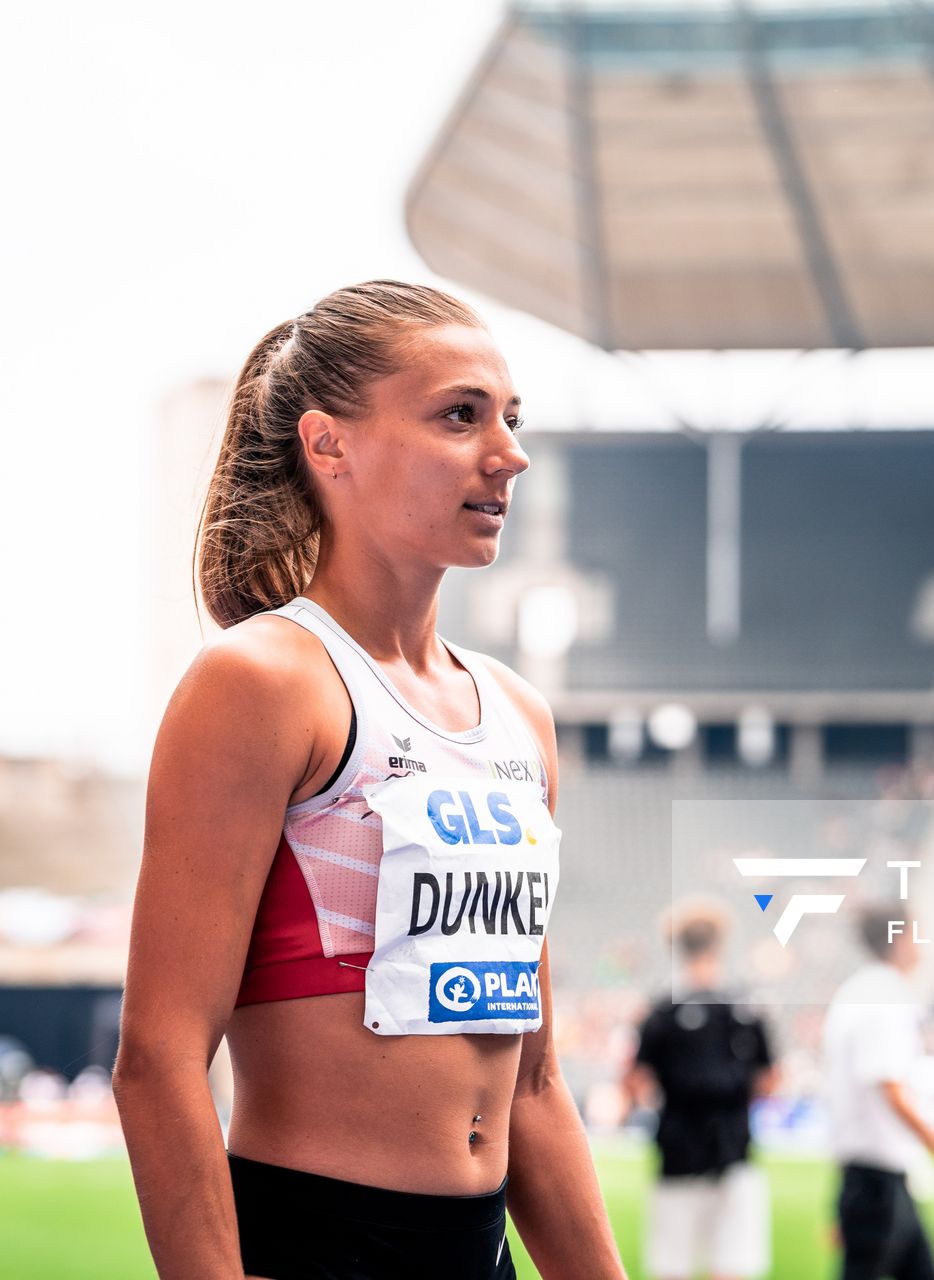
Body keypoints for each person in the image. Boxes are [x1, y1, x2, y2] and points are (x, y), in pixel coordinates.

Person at [113, 281, 624, 1280]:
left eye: (510, 419)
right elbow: (161, 1057)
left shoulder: (520, 715)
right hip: (316, 1245)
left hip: (484, 1252)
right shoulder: (261, 682)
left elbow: (532, 1081)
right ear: (328, 443)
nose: (508, 452)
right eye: (460, 414)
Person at [820, 905, 934, 1280]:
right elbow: (894, 1095)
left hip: (877, 1180)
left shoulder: (861, 992)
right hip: (876, 1183)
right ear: (900, 939)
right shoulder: (884, 998)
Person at [625, 896, 775, 1280]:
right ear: (720, 945)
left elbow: (636, 1079)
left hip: (677, 1151)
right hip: (734, 1148)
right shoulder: (747, 1006)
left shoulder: (661, 1010)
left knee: (673, 1266)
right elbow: (770, 1080)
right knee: (733, 1266)